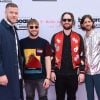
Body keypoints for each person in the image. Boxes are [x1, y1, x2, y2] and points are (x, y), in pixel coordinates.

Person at [51, 12, 85, 100]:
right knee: (59, 97)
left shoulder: (78, 37)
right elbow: (52, 55)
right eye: (64, 20)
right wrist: (52, 71)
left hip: (73, 74)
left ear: (72, 22)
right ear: (61, 22)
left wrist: (81, 72)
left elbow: (82, 55)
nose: (66, 21)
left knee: (72, 97)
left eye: (69, 20)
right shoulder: (55, 36)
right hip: (59, 74)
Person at [20, 19, 51, 100]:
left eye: (36, 27)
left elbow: (48, 61)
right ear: (28, 28)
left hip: (42, 78)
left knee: (43, 98)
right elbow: (20, 61)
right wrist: (21, 78)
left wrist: (48, 78)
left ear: (38, 28)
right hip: (27, 79)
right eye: (31, 27)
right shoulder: (21, 43)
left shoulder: (45, 43)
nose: (34, 29)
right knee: (29, 98)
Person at [0, 3, 23, 100]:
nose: (14, 15)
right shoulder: (1, 29)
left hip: (16, 76)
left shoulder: (13, 29)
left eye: (16, 13)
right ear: (5, 13)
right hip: (5, 77)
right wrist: (0, 74)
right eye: (11, 12)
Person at [80, 15, 100, 100]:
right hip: (87, 73)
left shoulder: (98, 35)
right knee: (90, 96)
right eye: (85, 22)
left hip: (98, 72)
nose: (87, 23)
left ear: (92, 23)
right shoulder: (82, 38)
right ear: (82, 25)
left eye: (89, 21)